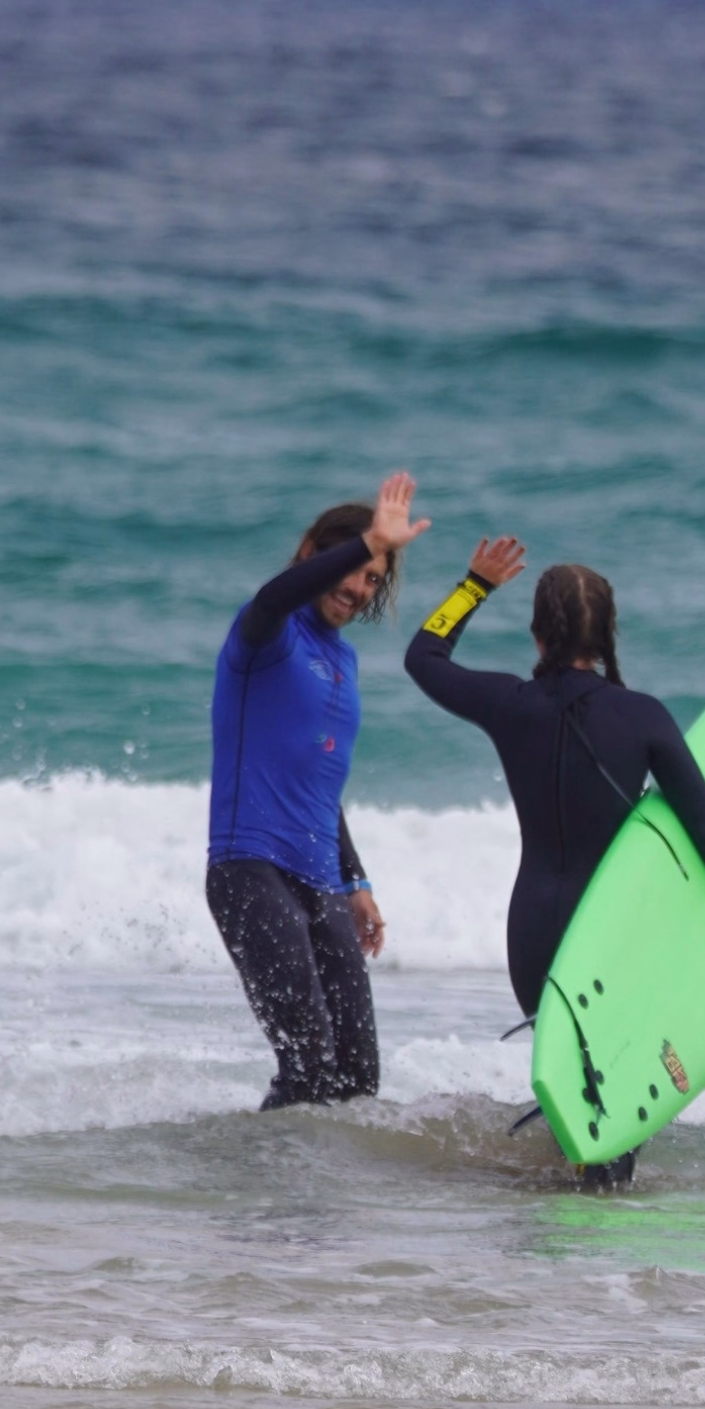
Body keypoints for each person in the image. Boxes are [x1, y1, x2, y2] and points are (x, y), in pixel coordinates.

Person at [405, 535, 705, 1087]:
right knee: (615, 1089)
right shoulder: (642, 716)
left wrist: (474, 587)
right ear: (605, 639)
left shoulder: (508, 703)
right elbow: (704, 819)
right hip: (607, 929)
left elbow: (423, 657)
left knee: (569, 1087)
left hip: (530, 931)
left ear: (537, 634)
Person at [207, 471, 429, 1109]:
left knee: (357, 1081)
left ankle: (319, 1204)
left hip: (321, 879)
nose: (361, 588)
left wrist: (354, 879)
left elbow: (317, 780)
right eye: (356, 568)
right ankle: (263, 1195)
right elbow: (276, 596)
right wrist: (367, 542)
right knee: (306, 1067)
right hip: (250, 868)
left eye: (374, 579)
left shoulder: (343, 659)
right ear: (315, 553)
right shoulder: (266, 637)